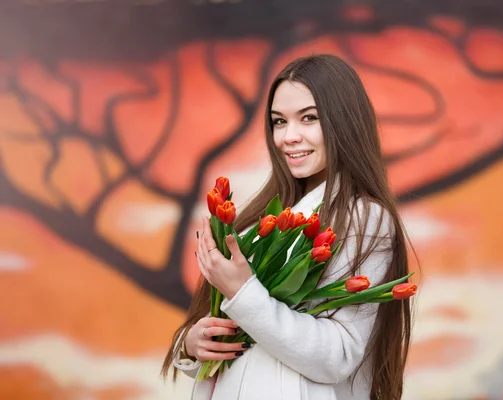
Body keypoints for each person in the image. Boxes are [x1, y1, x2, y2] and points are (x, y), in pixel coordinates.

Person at [161, 54, 413, 400]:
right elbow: (224, 330)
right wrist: (191, 343)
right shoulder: (263, 216)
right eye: (279, 122)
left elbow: (338, 355)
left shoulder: (364, 218)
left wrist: (244, 292)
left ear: (345, 122)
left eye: (308, 118)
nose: (288, 137)